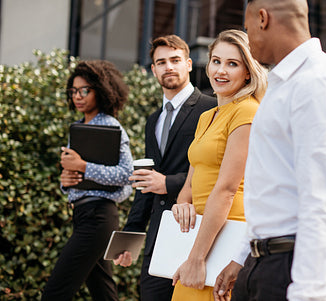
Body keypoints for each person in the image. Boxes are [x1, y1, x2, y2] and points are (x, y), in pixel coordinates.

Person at [214, 0, 326, 301]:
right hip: (267, 262)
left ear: (262, 18)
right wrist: (243, 256)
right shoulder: (283, 85)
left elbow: (321, 200)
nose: (248, 39)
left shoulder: (319, 83)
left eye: (247, 26)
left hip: (297, 268)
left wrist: (310, 295)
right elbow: (273, 189)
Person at [164, 29, 267, 301]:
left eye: (232, 64)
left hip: (225, 233)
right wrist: (182, 203)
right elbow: (191, 177)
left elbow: (226, 190)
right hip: (197, 232)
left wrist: (197, 259)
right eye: (216, 61)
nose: (221, 70)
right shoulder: (206, 116)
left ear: (248, 71)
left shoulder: (248, 111)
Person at [113, 35, 216, 300]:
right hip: (158, 239)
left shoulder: (211, 109)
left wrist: (167, 183)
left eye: (175, 60)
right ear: (153, 70)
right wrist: (130, 237)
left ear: (189, 64)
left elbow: (217, 171)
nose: (168, 67)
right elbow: (146, 181)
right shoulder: (153, 120)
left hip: (197, 232)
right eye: (161, 62)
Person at [42, 60, 133, 301]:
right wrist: (66, 179)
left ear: (100, 90)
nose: (78, 97)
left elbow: (127, 174)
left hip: (99, 217)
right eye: (73, 92)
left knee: (55, 292)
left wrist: (83, 166)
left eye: (84, 90)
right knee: (103, 292)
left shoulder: (111, 126)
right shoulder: (80, 127)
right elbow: (74, 181)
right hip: (84, 215)